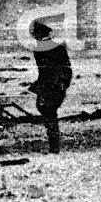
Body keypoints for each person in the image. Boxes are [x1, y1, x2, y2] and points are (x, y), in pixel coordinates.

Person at [27, 20, 72, 153]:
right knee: (47, 112)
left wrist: (61, 83)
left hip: (53, 87)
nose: (35, 39)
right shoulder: (54, 48)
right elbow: (64, 69)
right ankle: (54, 145)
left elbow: (59, 70)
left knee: (48, 112)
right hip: (52, 86)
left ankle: (54, 146)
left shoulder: (45, 50)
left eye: (36, 36)